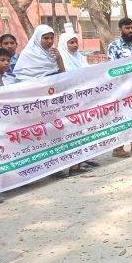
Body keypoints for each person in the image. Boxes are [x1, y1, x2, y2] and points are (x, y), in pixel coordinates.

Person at [107, 17, 132, 157]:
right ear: (120, 29)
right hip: (121, 89)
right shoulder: (114, 46)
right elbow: (111, 68)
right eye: (127, 28)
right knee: (122, 117)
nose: (130, 30)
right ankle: (118, 148)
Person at [57, 32, 97, 175]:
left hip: (83, 100)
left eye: (76, 42)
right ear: (63, 44)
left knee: (84, 129)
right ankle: (73, 165)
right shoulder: (60, 59)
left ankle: (84, 159)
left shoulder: (79, 58)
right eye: (71, 43)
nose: (74, 45)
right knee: (71, 132)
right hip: (68, 102)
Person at [0, 47, 19, 205]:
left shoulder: (12, 79)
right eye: (2, 60)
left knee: (5, 153)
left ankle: (2, 186)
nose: (6, 63)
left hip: (8, 121)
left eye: (8, 60)